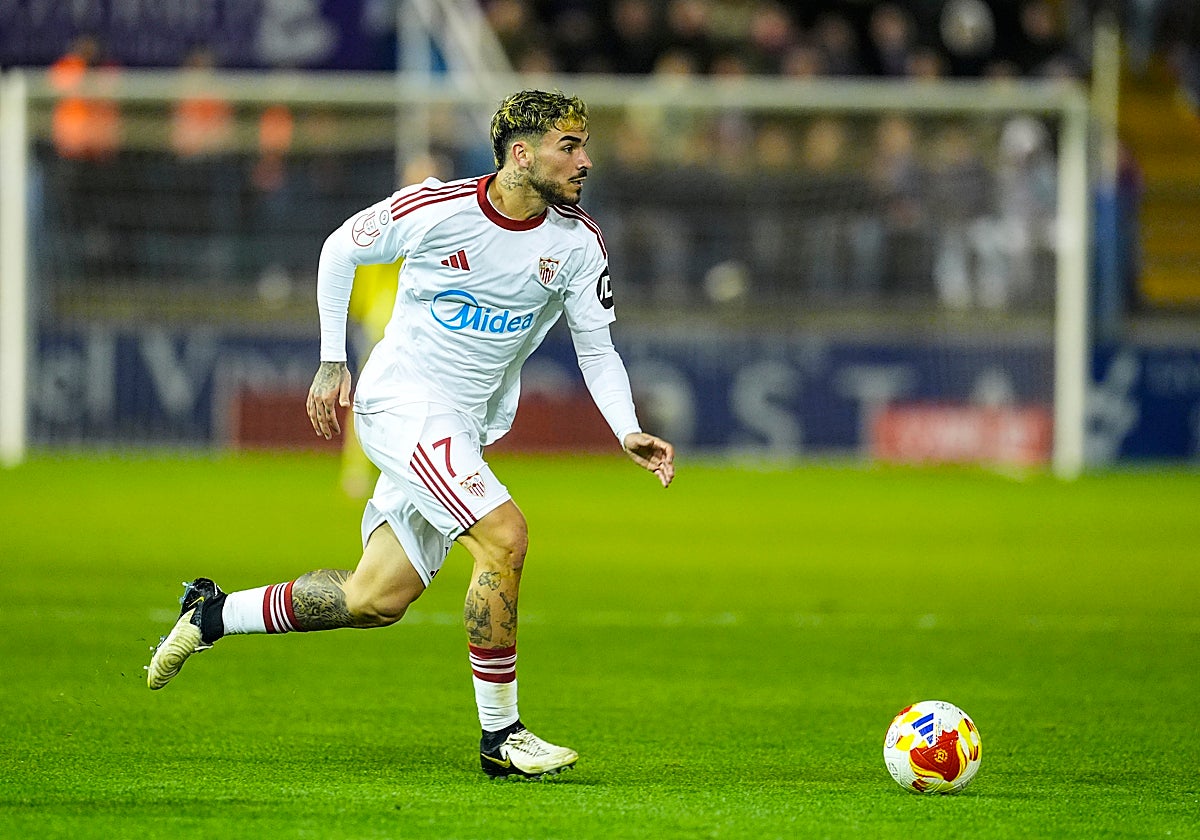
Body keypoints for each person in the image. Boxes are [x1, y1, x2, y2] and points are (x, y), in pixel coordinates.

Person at [146, 89, 676, 780]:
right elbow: (340, 250)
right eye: (569, 147)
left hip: (464, 424)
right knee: (505, 536)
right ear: (522, 154)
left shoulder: (577, 244)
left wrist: (627, 428)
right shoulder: (438, 208)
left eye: (583, 146)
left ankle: (212, 614)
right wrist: (333, 361)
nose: (586, 161)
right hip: (404, 404)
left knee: (375, 597)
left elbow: (597, 350)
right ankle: (502, 737)